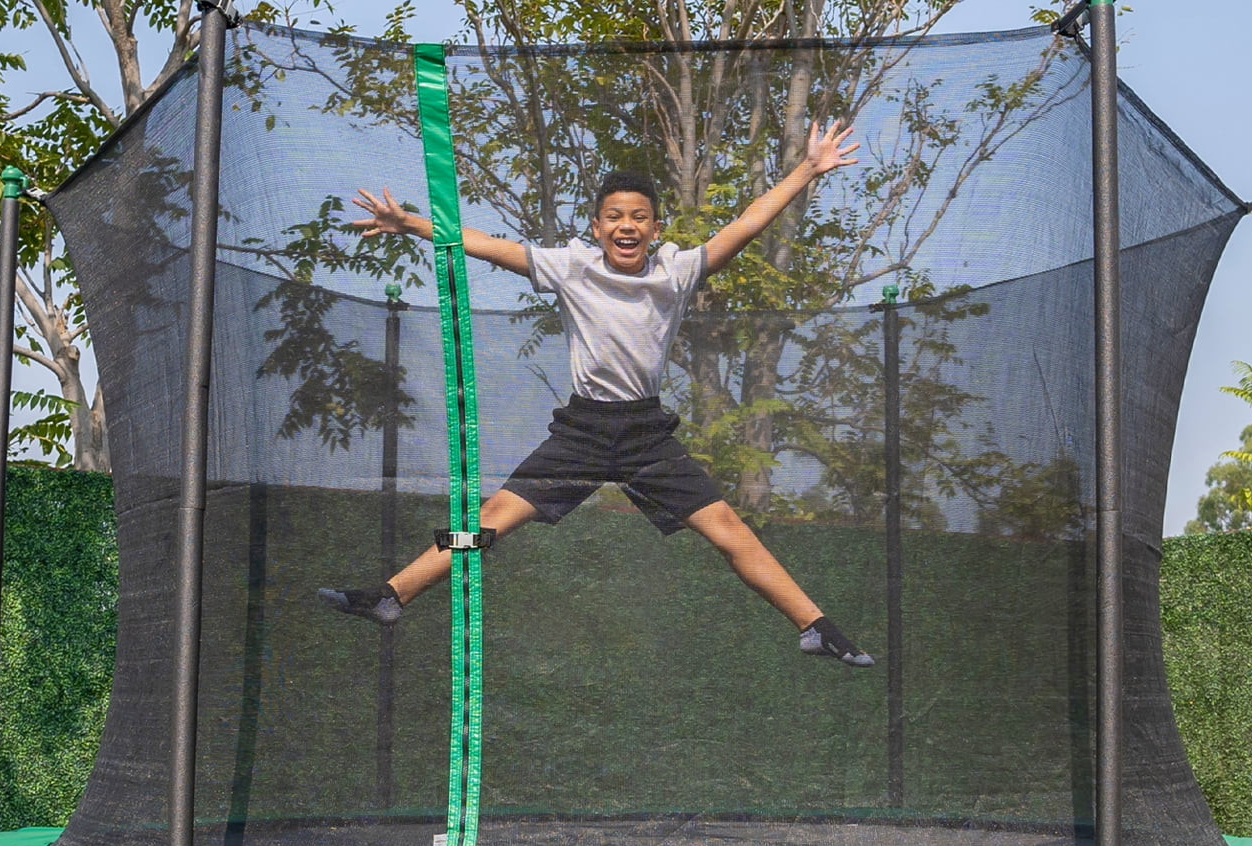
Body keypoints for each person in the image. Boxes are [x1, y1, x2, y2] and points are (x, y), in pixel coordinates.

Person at [320, 121, 874, 666]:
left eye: (638, 217)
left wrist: (807, 169)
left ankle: (815, 627)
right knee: (489, 522)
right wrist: (410, 223)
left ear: (655, 228)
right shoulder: (571, 267)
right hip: (582, 434)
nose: (626, 226)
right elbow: (486, 245)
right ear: (596, 225)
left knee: (727, 529)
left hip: (647, 437)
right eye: (614, 217)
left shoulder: (678, 270)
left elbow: (747, 224)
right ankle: (393, 594)